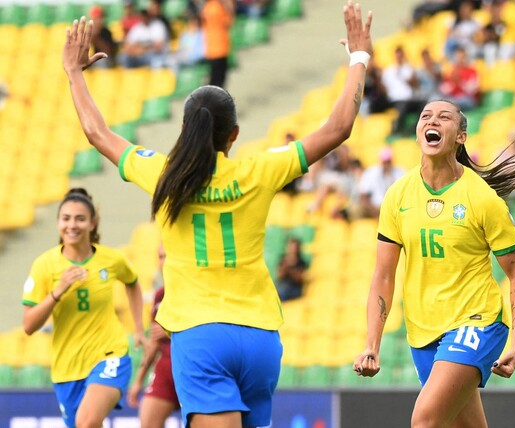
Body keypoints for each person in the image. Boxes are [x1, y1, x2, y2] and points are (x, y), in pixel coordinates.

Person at [62, 3, 372, 427]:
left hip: (201, 334)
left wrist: (74, 73)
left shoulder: (163, 174)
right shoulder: (260, 169)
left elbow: (98, 134)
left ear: (184, 130)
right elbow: (338, 128)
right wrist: (359, 57)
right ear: (235, 135)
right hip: (261, 338)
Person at [353, 99, 515, 427]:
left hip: (477, 322)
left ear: (460, 137)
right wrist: (372, 343)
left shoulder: (482, 199)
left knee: (424, 421)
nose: (431, 120)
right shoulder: (398, 196)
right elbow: (383, 275)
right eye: (425, 116)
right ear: (417, 133)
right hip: (424, 332)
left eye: (443, 117)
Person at [21, 188, 146, 428]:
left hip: (110, 356)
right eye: (66, 218)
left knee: (87, 422)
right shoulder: (45, 265)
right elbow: (29, 325)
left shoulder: (111, 259)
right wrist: (58, 291)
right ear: (58, 222)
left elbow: (133, 283)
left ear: (93, 223)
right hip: (67, 369)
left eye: (80, 218)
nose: (72, 225)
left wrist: (139, 329)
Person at [127, 244, 180, 428]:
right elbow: (154, 343)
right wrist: (139, 380)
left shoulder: (198, 294)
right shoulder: (159, 296)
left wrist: (172, 331)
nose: (163, 262)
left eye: (168, 256)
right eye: (160, 257)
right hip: (166, 370)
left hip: (194, 368)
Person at [357, 147, 404, 219]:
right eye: (385, 162)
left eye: (388, 161)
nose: (386, 165)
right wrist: (374, 211)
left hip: (396, 208)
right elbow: (364, 196)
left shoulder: (400, 172)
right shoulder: (371, 172)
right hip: (375, 207)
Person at [201, 0, 235, 88]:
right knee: (218, 82)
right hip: (219, 47)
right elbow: (229, 22)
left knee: (214, 80)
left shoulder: (208, 6)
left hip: (212, 47)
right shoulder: (217, 7)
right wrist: (229, 6)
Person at [439, 46, 480, 110]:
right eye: (458, 57)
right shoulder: (452, 71)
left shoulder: (472, 71)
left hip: (468, 99)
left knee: (452, 103)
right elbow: (443, 90)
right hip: (453, 98)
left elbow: (472, 91)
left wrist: (460, 82)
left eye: (462, 57)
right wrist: (452, 83)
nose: (460, 60)